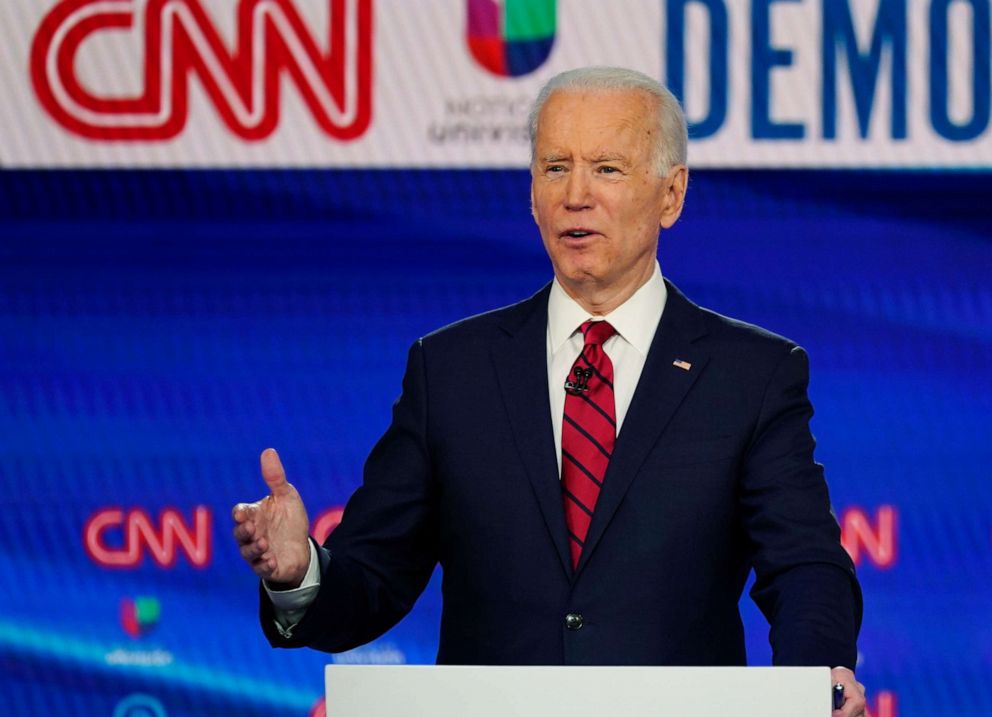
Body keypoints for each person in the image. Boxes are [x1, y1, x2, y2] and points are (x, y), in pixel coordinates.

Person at [233, 66, 866, 716]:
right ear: (531, 193)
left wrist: (817, 674)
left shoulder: (750, 374)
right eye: (555, 167)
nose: (576, 195)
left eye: (608, 169)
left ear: (671, 194)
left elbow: (804, 564)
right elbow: (371, 579)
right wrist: (299, 572)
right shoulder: (451, 369)